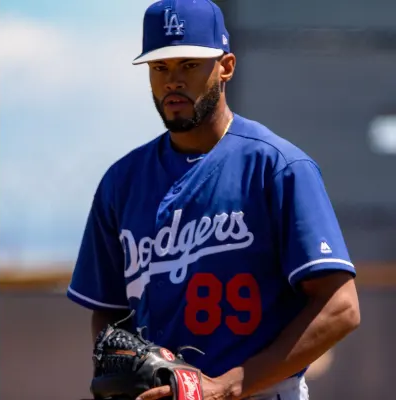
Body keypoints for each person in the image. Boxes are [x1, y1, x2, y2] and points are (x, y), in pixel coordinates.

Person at [67, 0, 360, 399]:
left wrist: (225, 386)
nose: (172, 80)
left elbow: (341, 307)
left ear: (226, 67)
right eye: (160, 67)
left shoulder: (277, 166)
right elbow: (108, 310)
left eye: (189, 65)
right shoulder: (122, 182)